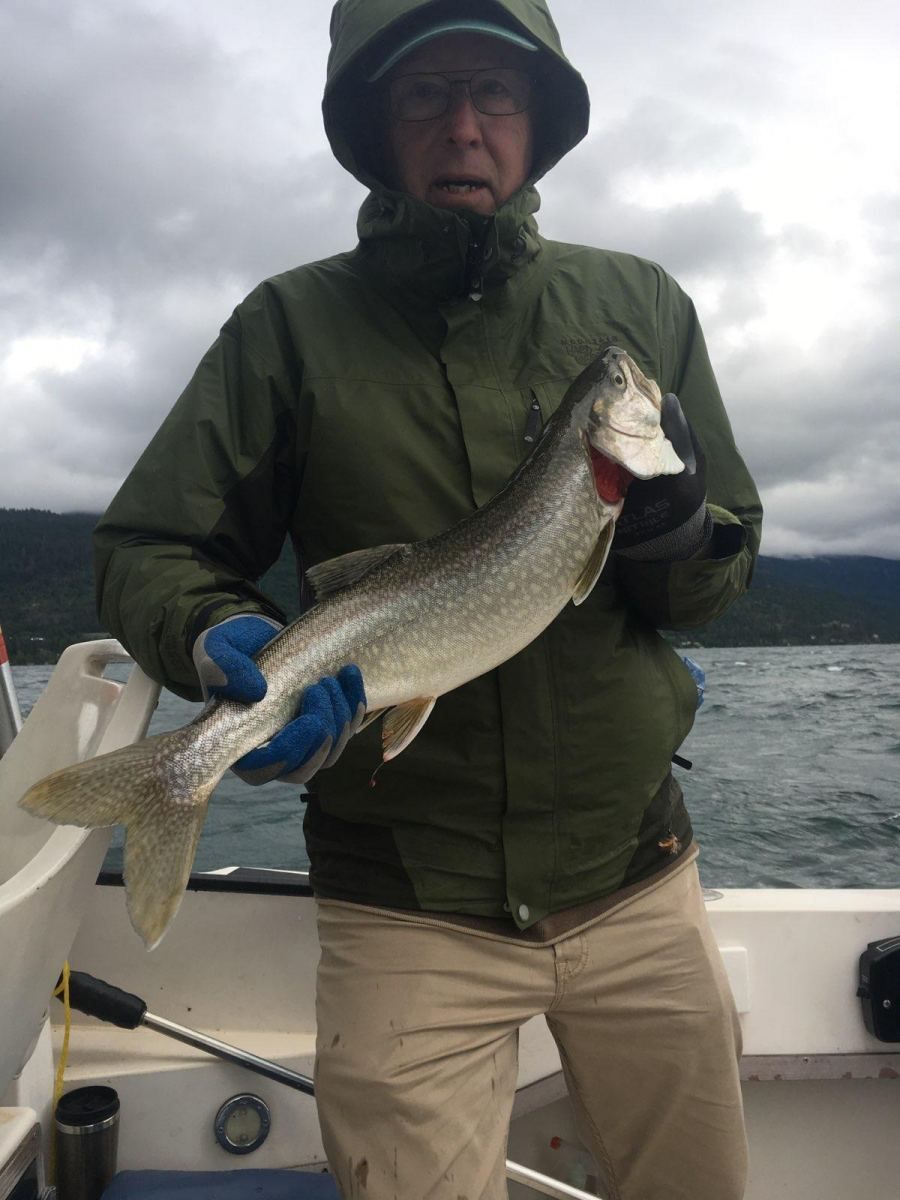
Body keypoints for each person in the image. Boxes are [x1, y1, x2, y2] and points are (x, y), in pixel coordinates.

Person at [94, 1, 763, 1197]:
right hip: (402, 909)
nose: (464, 128)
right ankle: (168, 786)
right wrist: (215, 634)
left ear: (536, 118)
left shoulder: (641, 305)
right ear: (377, 123)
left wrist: (675, 531)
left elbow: (719, 573)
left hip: (638, 881)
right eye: (424, 96)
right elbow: (153, 542)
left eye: (495, 95)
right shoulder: (287, 330)